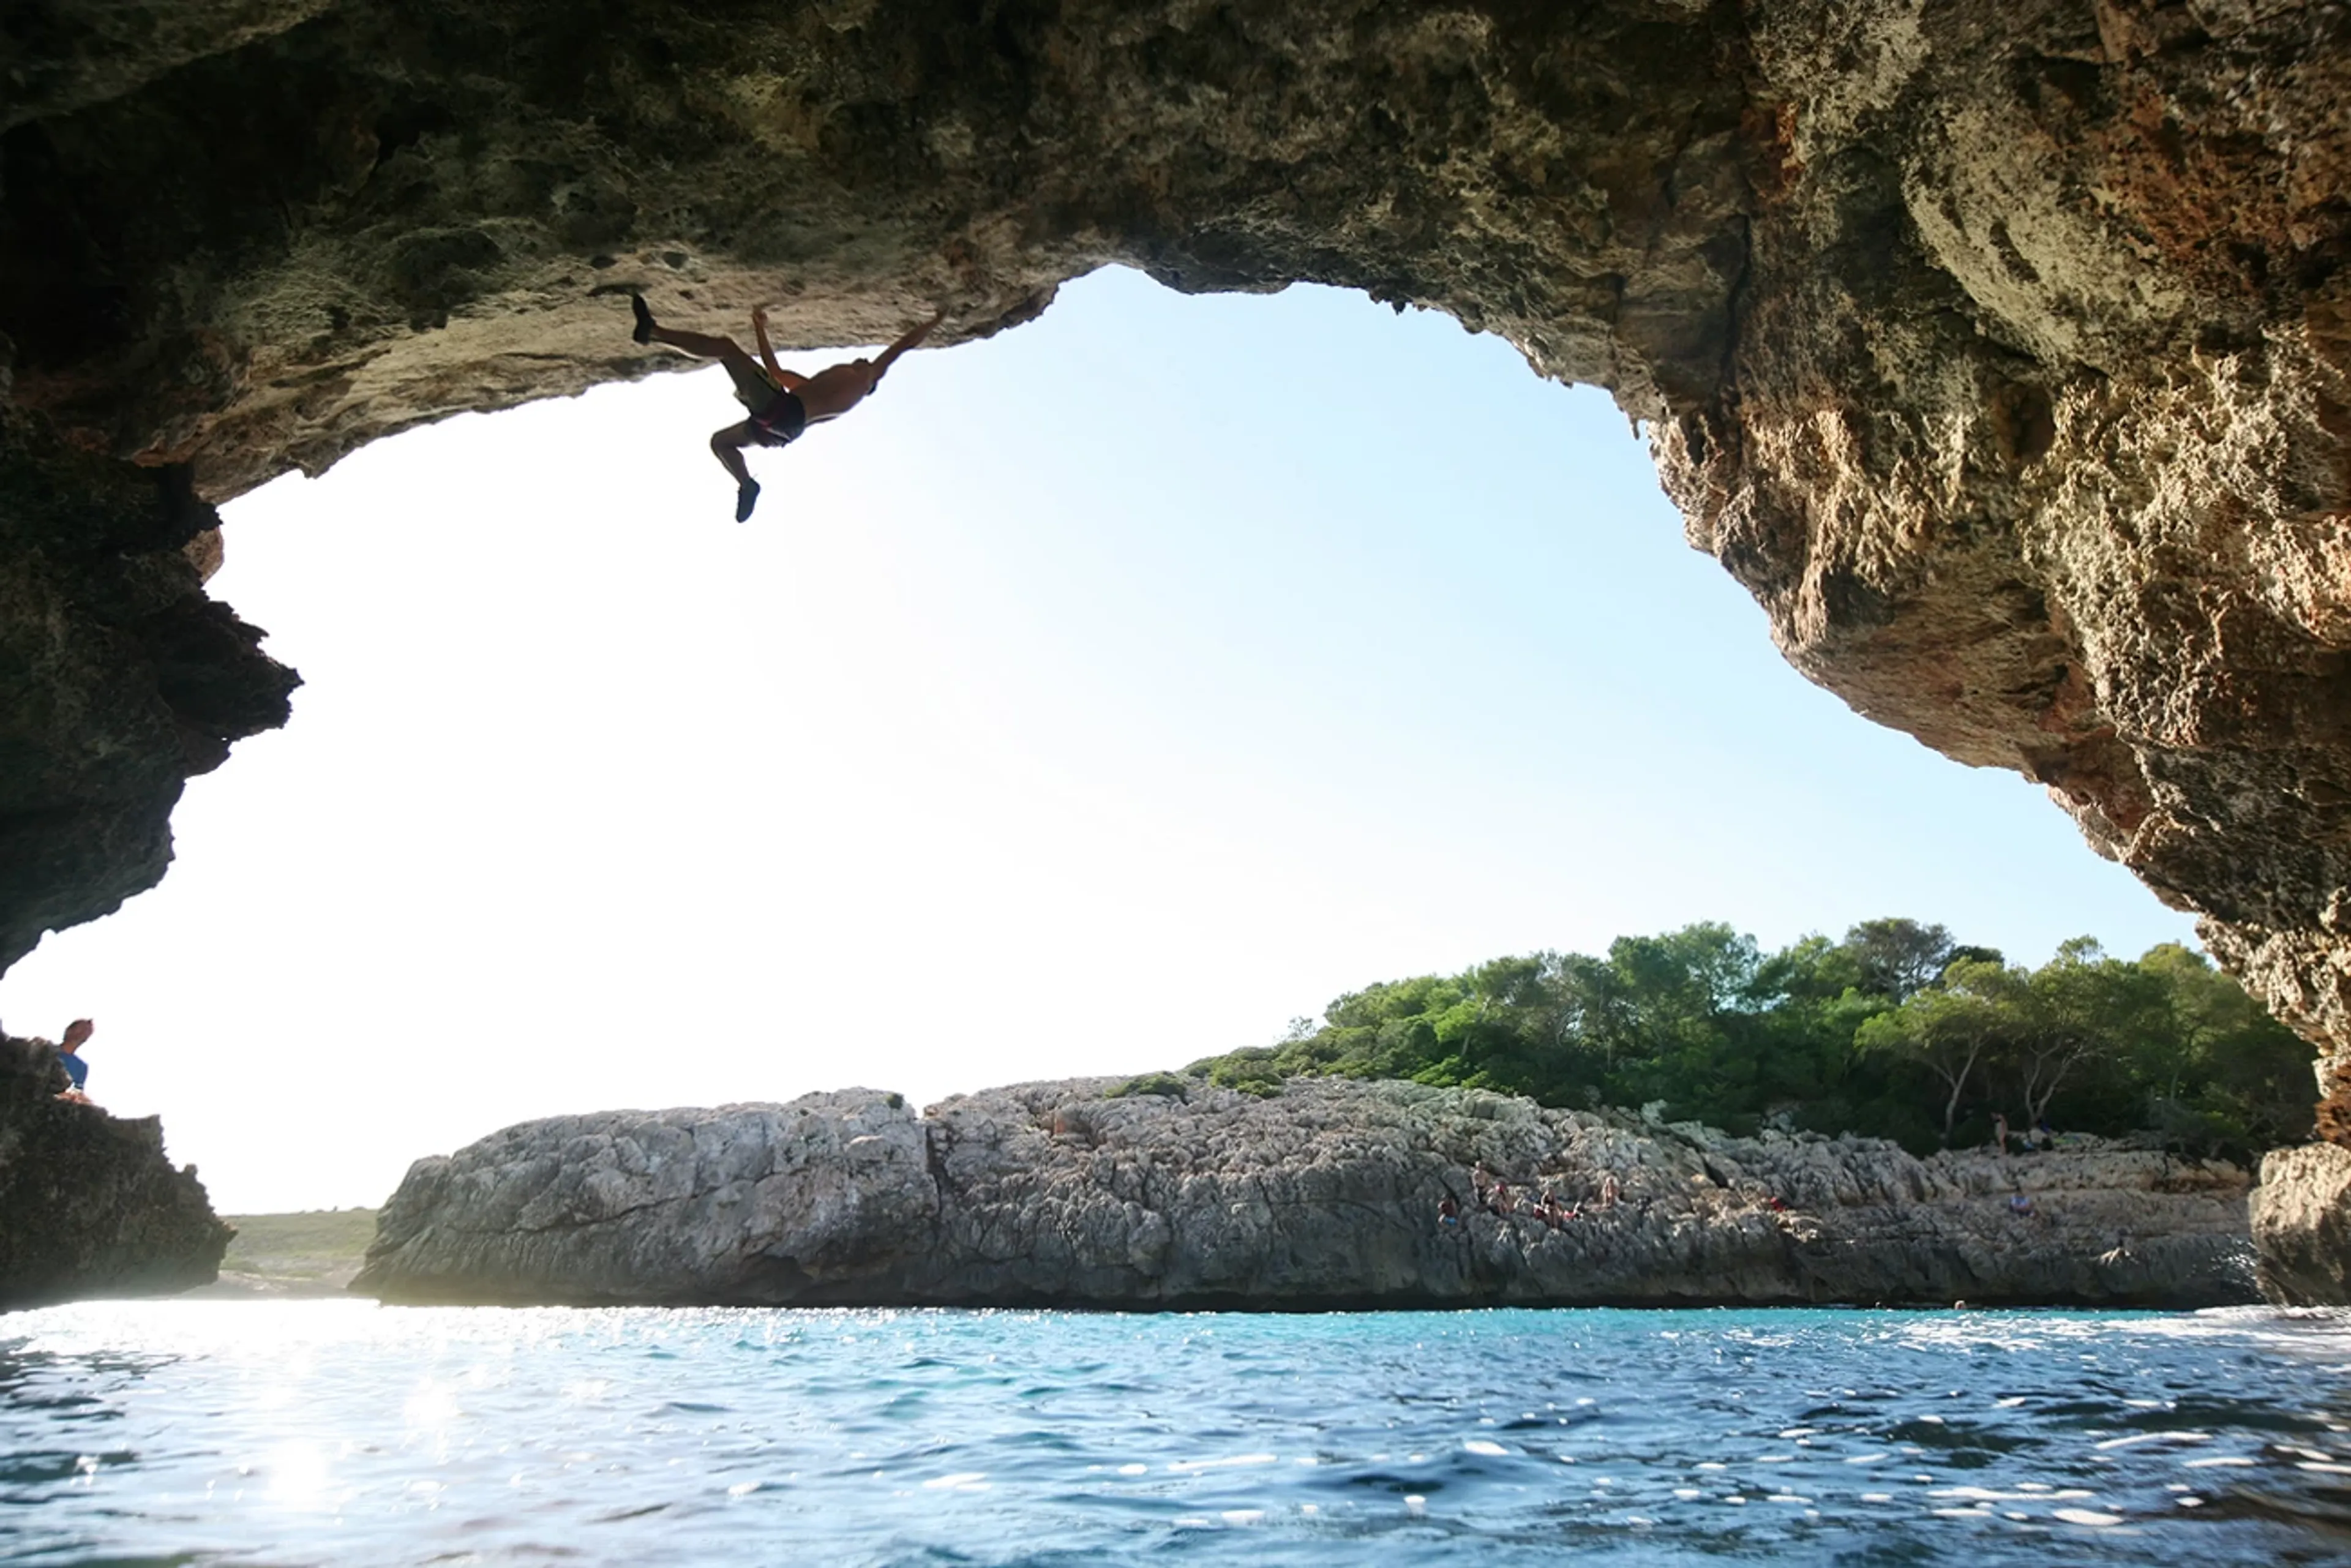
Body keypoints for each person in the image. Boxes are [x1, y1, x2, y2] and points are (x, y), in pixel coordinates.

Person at [630, 294, 945, 522]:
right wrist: (759, 327)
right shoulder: (820, 391)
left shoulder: (866, 379)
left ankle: (653, 331)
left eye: (863, 361)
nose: (862, 359)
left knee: (726, 348)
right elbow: (776, 372)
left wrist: (936, 320)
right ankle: (747, 484)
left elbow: (902, 345)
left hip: (785, 413)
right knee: (720, 442)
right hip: (784, 427)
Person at [53, 1018, 93, 1103]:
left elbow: (77, 1091)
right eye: (81, 1028)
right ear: (69, 1031)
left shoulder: (81, 1067)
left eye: (87, 1031)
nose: (84, 1032)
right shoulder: (47, 1052)